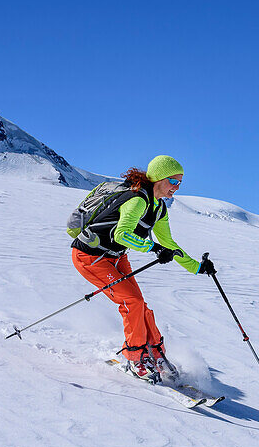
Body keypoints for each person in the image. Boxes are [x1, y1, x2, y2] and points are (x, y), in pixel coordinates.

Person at [70, 154, 215, 381]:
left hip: (115, 257)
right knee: (132, 303)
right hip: (90, 257)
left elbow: (169, 244)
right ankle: (135, 358)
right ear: (158, 178)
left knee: (139, 304)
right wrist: (153, 249)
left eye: (180, 182)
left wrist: (197, 267)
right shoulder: (137, 200)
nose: (176, 187)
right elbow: (122, 233)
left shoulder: (158, 208)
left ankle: (155, 352)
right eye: (173, 181)